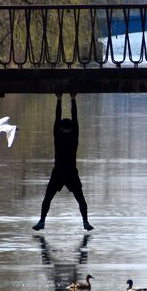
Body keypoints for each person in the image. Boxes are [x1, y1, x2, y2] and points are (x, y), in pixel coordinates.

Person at [33, 93, 93, 231]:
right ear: (72, 128)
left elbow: (57, 117)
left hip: (58, 172)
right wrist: (73, 99)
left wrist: (59, 99)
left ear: (60, 128)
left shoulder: (58, 135)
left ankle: (42, 221)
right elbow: (75, 118)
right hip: (71, 172)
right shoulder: (74, 135)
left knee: (47, 198)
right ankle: (85, 222)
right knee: (80, 198)